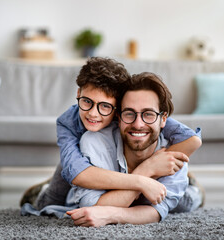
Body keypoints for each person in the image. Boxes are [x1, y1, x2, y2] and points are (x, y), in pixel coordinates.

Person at [20, 57, 202, 212]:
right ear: (78, 94)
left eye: (105, 106)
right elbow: (78, 174)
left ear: (117, 109)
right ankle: (41, 191)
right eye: (87, 102)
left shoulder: (135, 117)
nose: (93, 113)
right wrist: (144, 174)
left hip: (119, 166)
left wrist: (163, 164)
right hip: (78, 165)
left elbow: (192, 141)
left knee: (178, 203)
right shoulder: (68, 122)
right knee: (52, 200)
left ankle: (194, 189)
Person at [65, 72, 203, 226]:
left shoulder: (172, 151)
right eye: (129, 114)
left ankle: (195, 189)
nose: (138, 124)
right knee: (62, 191)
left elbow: (156, 212)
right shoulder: (95, 142)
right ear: (118, 117)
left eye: (148, 114)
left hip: (177, 193)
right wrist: (146, 170)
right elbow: (90, 205)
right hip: (89, 176)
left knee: (185, 203)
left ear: (163, 119)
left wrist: (110, 215)